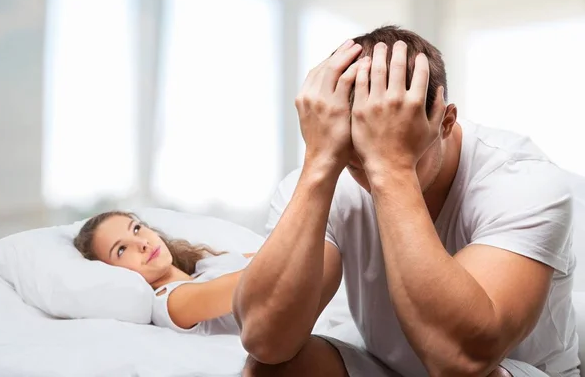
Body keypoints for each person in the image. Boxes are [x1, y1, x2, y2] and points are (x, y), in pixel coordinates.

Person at [233, 25, 579, 377]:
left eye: (400, 149)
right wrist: (319, 162)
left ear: (445, 122)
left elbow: (463, 360)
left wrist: (392, 166)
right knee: (271, 369)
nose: (369, 176)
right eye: (358, 162)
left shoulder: (524, 180)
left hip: (509, 370)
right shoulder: (328, 172)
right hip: (389, 368)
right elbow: (265, 339)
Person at [74, 210, 254, 335]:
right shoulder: (169, 302)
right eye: (121, 249)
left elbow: (270, 256)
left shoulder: (206, 265)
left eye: (136, 229)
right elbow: (257, 280)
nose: (142, 243)